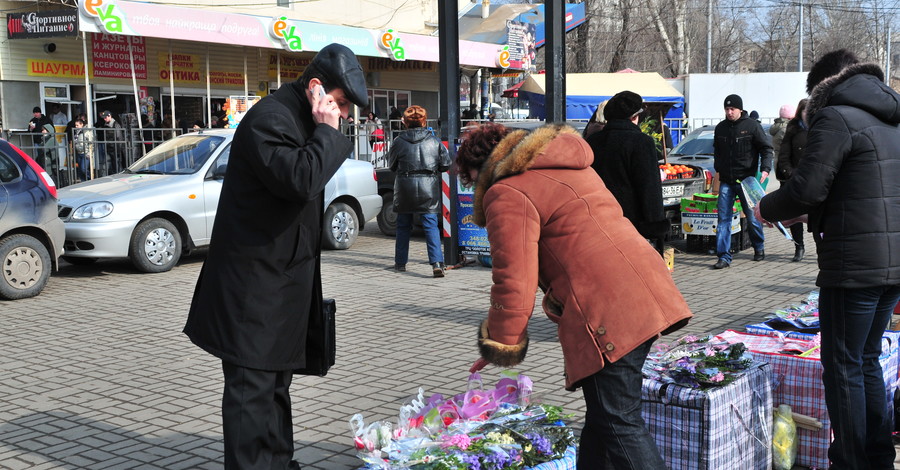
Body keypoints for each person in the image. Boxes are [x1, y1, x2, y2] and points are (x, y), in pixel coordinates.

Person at [458, 122, 692, 469]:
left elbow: (513, 280)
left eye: (472, 178)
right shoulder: (571, 166)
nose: (475, 186)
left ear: (481, 168)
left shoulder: (506, 191)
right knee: (603, 416)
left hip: (607, 308)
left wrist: (501, 343)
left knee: (619, 421)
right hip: (645, 289)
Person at [183, 43, 368, 470]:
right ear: (317, 87)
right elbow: (301, 179)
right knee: (251, 395)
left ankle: (280, 464)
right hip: (253, 289)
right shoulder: (270, 118)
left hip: (281, 284)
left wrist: (323, 130)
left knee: (275, 388)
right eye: (339, 103)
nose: (340, 114)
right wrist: (327, 131)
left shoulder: (297, 117)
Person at [756, 49, 900, 470]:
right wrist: (811, 212)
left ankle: (851, 461)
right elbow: (861, 190)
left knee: (842, 367)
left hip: (853, 265)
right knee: (866, 359)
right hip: (890, 263)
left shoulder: (836, 117)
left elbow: (805, 188)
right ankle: (876, 456)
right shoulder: (890, 117)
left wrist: (767, 207)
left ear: (824, 86)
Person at [585, 91, 668, 253]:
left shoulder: (594, 141)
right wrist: (655, 227)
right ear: (635, 117)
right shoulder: (641, 142)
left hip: (598, 221)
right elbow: (649, 189)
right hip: (631, 225)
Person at [387, 105, 451, 277]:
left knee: (403, 226)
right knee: (430, 226)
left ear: (405, 123)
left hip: (405, 188)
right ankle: (437, 263)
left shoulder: (398, 142)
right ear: (424, 121)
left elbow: (391, 166)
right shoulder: (434, 140)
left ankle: (400, 263)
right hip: (427, 188)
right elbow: (446, 165)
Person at [711, 94, 773, 269]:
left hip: (746, 180)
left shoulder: (752, 126)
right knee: (723, 218)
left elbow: (766, 149)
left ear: (740, 109)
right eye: (727, 109)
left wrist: (766, 169)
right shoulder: (721, 128)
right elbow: (717, 151)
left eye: (732, 109)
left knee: (753, 217)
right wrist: (718, 167)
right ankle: (723, 256)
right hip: (726, 180)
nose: (729, 112)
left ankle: (758, 247)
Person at [774, 99, 807, 262]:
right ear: (799, 113)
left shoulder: (820, 128)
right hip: (794, 179)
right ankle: (799, 246)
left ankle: (822, 245)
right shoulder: (792, 129)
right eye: (805, 111)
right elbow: (784, 155)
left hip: (815, 179)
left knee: (818, 216)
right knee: (794, 215)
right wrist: (790, 173)